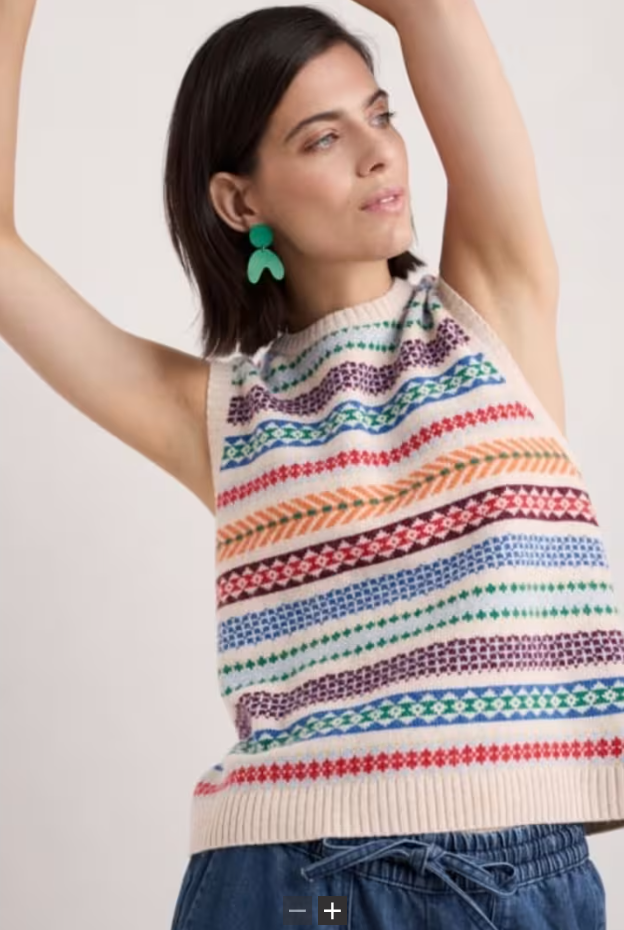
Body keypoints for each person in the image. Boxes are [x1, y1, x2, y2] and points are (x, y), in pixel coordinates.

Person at [0, 1, 619, 928]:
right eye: (324, 138)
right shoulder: (218, 414)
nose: (379, 155)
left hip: (507, 868)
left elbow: (433, 11)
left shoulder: (489, 316)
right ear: (240, 203)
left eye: (380, 115)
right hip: (284, 882)